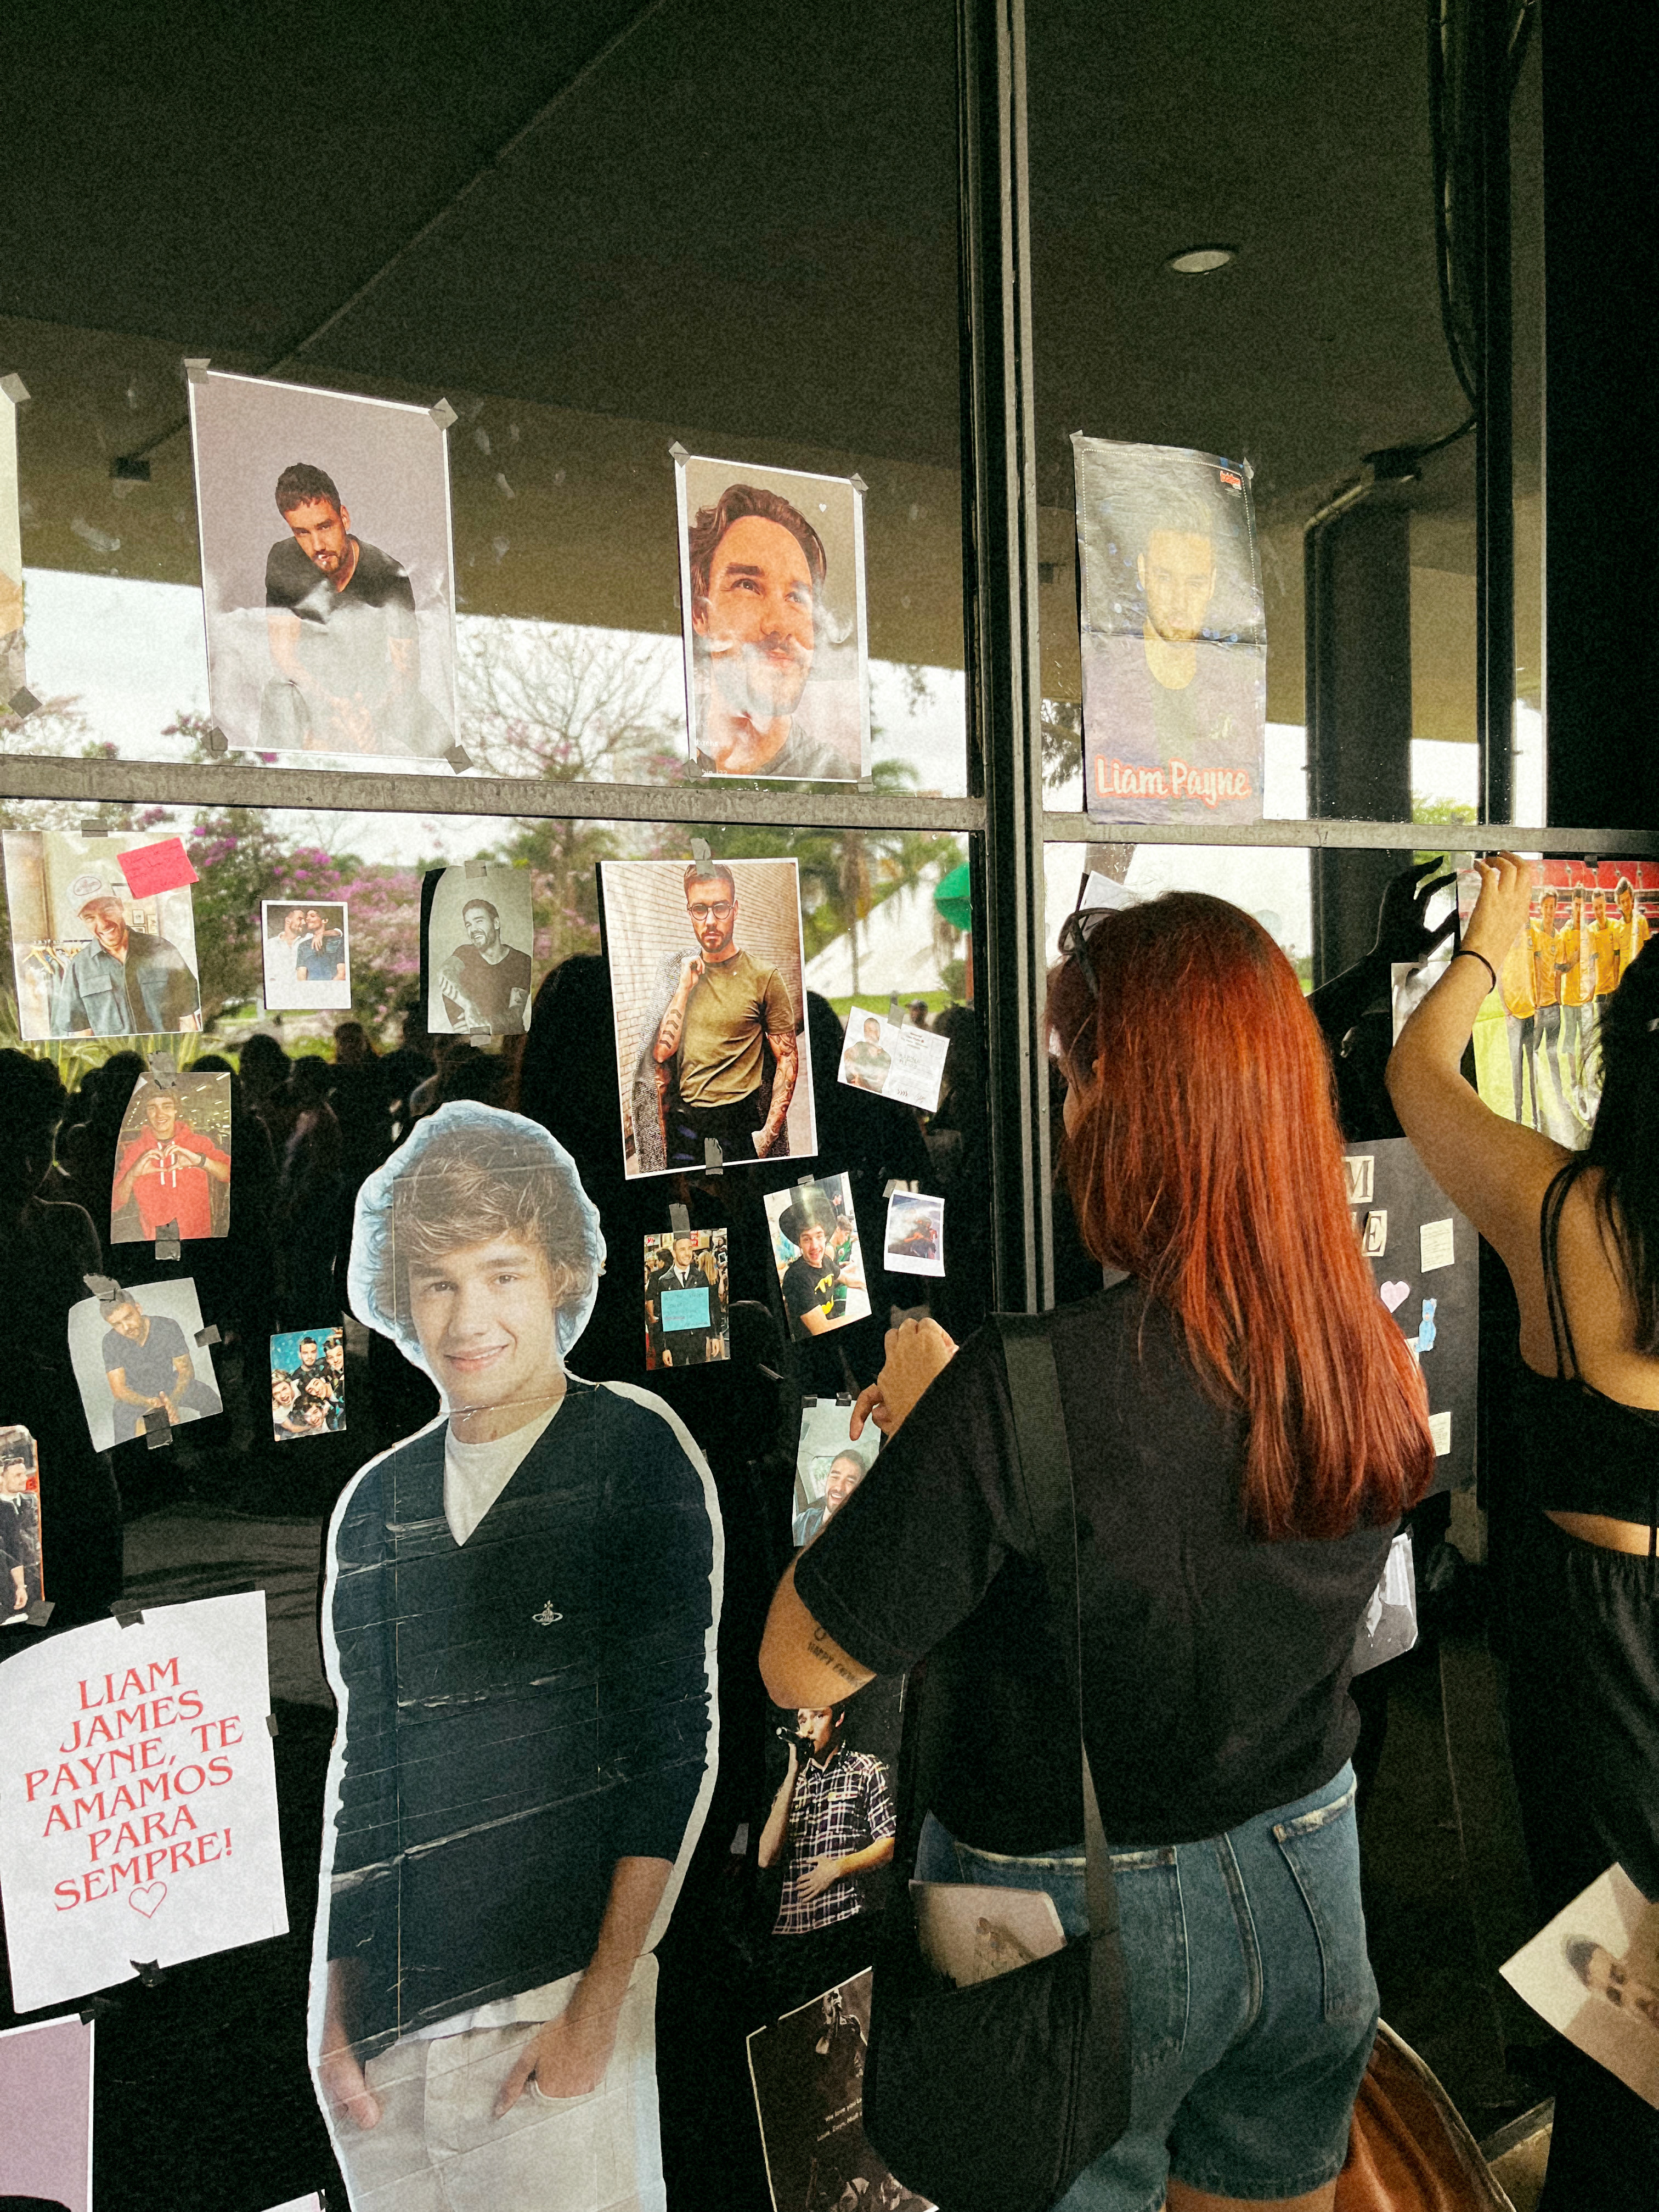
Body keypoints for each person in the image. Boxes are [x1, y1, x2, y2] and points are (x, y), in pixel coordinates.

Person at [761, 889, 1436, 2212]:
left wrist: (931, 1438)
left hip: (1072, 1929)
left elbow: (802, 1663)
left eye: (1075, 1083)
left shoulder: (1024, 1393)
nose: (1065, 1120)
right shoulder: (1366, 1358)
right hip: (1314, 1874)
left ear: (1133, 1107)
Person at [313, 1102, 718, 2212]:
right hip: (390, 2056)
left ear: (560, 1277)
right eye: (437, 1281)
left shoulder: (634, 1458)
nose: (467, 1316)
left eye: (500, 1273)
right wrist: (337, 2014)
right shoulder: (377, 1506)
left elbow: (668, 1760)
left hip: (552, 2017)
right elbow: (370, 1772)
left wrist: (596, 2012)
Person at [1387, 851, 1659, 2208]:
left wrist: (1486, 953)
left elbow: (1415, 1078)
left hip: (1592, 1654)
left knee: (1611, 2001)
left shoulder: (1563, 1214)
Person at [1082, 489, 1261, 824]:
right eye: (1165, 578)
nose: (1180, 601)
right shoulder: (1105, 678)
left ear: (1212, 584)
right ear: (1143, 573)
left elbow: (1241, 810)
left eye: (1194, 583)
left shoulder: (1233, 690)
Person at [261, 461, 449, 757]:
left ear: (344, 518)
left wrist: (367, 718)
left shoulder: (387, 575)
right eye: (302, 533)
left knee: (448, 749)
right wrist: (334, 710)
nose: (318, 544)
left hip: (375, 689)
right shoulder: (284, 559)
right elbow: (284, 657)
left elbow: (406, 671)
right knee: (279, 698)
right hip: (311, 687)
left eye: (325, 526)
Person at [634, 862, 799, 1171]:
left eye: (720, 908)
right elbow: (659, 1053)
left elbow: (787, 1058)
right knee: (692, 1215)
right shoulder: (674, 974)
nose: (710, 921)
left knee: (745, 1214)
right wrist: (684, 989)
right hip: (687, 1128)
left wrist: (767, 1136)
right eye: (700, 909)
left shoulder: (764, 977)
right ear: (689, 912)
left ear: (735, 909)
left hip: (738, 1127)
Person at [686, 482, 856, 779]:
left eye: (796, 598)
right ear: (701, 615)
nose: (779, 624)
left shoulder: (842, 782)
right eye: (747, 586)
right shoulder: (665, 744)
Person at [757, 1703, 895, 1997]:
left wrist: (837, 1868)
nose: (808, 1728)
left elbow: (890, 1843)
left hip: (844, 1922)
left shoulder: (865, 1768)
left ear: (839, 1718)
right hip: (791, 1934)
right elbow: (766, 1857)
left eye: (818, 1716)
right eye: (802, 1719)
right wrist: (793, 1773)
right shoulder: (791, 1786)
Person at [50, 877, 200, 1037]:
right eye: (90, 918)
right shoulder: (79, 966)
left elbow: (187, 1019)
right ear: (82, 921)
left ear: (120, 906)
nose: (103, 924)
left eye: (107, 910)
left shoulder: (162, 950)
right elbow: (83, 1034)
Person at [111, 1082, 231, 1242]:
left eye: (167, 1106)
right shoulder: (135, 1151)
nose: (160, 1114)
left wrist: (201, 1161)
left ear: (176, 1110)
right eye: (152, 1108)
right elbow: (115, 1203)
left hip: (199, 1237)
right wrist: (132, 1174)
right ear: (146, 1112)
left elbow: (229, 1173)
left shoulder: (199, 1144)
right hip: (157, 1241)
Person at [100, 1295, 224, 1446]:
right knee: (122, 1418)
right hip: (137, 1393)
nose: (127, 1327)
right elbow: (119, 1389)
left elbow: (185, 1370)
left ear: (138, 1309)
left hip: (169, 1383)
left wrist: (173, 1402)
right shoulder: (110, 1341)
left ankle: (212, 1444)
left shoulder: (167, 1326)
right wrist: (149, 1403)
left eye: (128, 1317)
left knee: (210, 1399)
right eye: (117, 1324)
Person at [436, 894, 532, 1036]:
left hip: (508, 1041)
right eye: (468, 924)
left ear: (496, 924)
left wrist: (481, 1025)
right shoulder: (465, 953)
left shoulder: (521, 961)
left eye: (479, 921)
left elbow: (515, 1014)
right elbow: (444, 972)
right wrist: (470, 1007)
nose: (473, 929)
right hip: (470, 1041)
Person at [777, 1189, 863, 1340]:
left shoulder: (826, 1262)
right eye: (807, 1239)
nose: (815, 1246)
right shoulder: (796, 1278)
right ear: (800, 1244)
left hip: (835, 1323)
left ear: (825, 1238)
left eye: (819, 1236)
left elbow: (848, 1280)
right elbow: (821, 1329)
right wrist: (863, 1314)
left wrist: (866, 1285)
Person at [0, 1429, 43, 1611]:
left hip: (40, 1573)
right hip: (14, 1580)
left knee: (46, 1615)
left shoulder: (32, 1500)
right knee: (28, 1620)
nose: (24, 1479)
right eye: (17, 1475)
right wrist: (20, 1585)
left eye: (24, 1474)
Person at [793, 1449, 866, 1548]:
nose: (839, 1487)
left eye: (850, 1481)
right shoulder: (804, 1520)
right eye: (835, 1477)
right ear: (827, 1479)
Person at [296, 906, 348, 995]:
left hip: (333, 992)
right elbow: (301, 976)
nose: (307, 919)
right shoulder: (303, 946)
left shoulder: (338, 942)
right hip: (311, 993)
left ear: (325, 920)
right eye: (307, 916)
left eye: (313, 916)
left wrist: (326, 992)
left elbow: (342, 974)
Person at [842, 1016, 891, 1094]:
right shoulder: (860, 1046)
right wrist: (857, 1075)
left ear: (878, 1033)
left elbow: (878, 1085)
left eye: (870, 1030)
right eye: (865, 1031)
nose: (867, 1034)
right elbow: (847, 1056)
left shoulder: (886, 1057)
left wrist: (860, 1082)